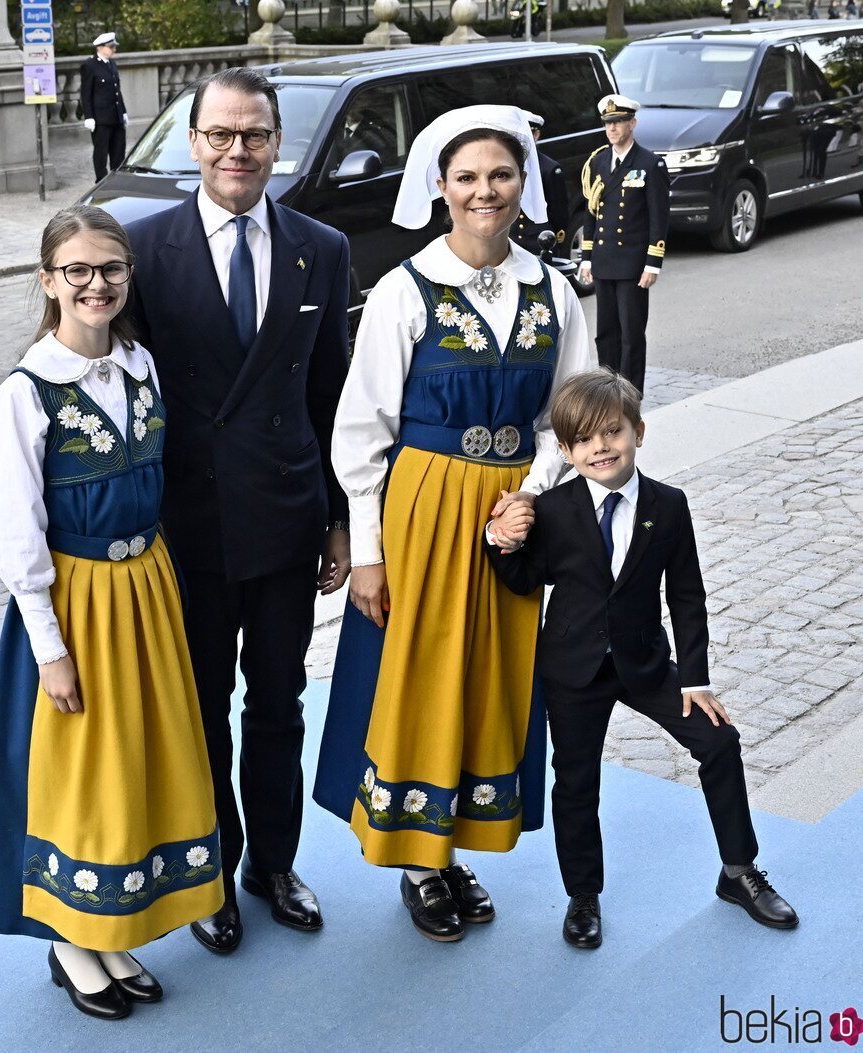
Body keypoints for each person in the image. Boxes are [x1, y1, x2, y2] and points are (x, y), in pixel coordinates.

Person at [312, 105, 592, 943]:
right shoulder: (406, 289)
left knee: (491, 678)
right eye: (466, 177)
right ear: (439, 187)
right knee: (424, 673)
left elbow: (569, 415)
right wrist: (369, 553)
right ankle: (421, 860)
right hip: (426, 509)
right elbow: (359, 433)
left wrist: (534, 491)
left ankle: (454, 841)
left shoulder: (554, 289)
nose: (484, 191)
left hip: (513, 515)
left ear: (523, 184)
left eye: (499, 175)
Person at [124, 66, 351, 955]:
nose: (237, 150)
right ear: (193, 143)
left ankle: (275, 863)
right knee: (203, 703)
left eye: (253, 134)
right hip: (189, 528)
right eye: (220, 135)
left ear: (275, 142)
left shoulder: (320, 247)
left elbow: (329, 394)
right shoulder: (141, 250)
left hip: (288, 516)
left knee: (281, 701)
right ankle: (213, 870)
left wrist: (341, 520)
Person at [0, 206, 223, 1019]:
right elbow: (17, 530)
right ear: (48, 281)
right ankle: (70, 936)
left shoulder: (141, 365)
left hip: (146, 586)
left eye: (111, 268)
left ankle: (109, 923)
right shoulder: (26, 389)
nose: (96, 284)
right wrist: (50, 647)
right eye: (77, 270)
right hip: (77, 598)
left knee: (135, 760)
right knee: (82, 770)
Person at [485, 368, 799, 949]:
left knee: (718, 742)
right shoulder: (552, 509)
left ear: (639, 431)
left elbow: (686, 594)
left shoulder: (668, 506)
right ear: (564, 450)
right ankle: (583, 895)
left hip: (647, 663)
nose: (599, 447)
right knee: (575, 782)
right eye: (582, 440)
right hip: (573, 669)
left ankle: (739, 873)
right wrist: (500, 542)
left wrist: (696, 678)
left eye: (611, 432)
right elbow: (527, 579)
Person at [578, 94, 670, 396]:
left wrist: (652, 262)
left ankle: (630, 393)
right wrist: (587, 256)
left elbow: (659, 216)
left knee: (631, 333)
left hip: (632, 263)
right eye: (608, 123)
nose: (612, 128)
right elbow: (591, 213)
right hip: (604, 261)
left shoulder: (649, 163)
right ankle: (607, 389)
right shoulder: (599, 161)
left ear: (632, 123)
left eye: (618, 122)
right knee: (605, 333)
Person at [511, 112, 571, 257]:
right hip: (511, 239)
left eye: (526, 133)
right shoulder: (507, 165)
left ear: (536, 135)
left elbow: (559, 214)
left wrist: (553, 241)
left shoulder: (549, 168)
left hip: (538, 241)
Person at [80, 32, 128, 182]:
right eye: (111, 46)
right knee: (101, 152)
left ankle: (116, 179)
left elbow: (117, 91)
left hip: (116, 115)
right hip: (101, 119)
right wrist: (89, 116)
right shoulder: (90, 65)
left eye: (114, 46)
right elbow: (86, 93)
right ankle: (101, 181)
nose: (114, 49)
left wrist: (124, 112)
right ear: (100, 47)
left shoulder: (111, 64)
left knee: (119, 151)